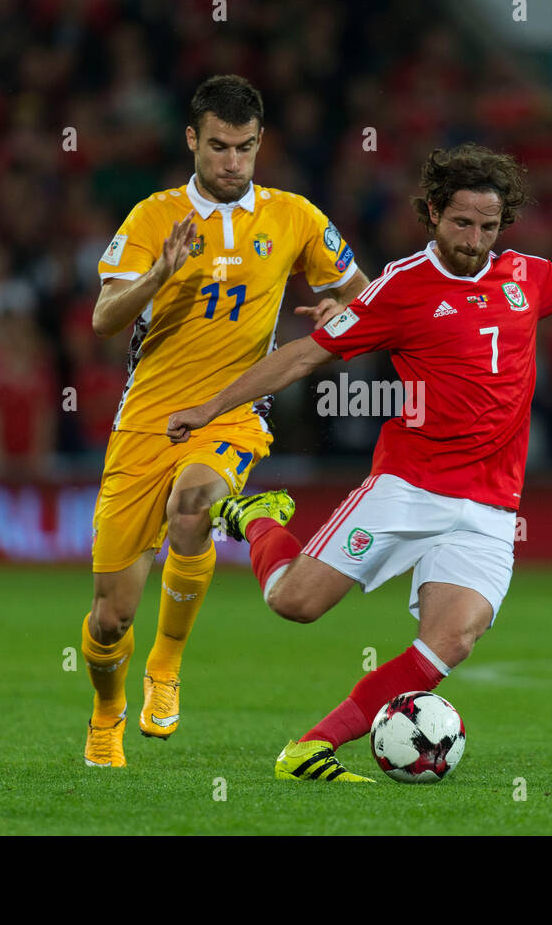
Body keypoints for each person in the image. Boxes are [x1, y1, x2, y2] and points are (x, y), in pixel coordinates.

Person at [167, 143, 552, 781]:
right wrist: (213, 406)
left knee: (453, 641)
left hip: (491, 506)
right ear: (432, 213)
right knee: (293, 603)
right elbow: (306, 355)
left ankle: (309, 747)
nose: (475, 240)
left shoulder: (528, 276)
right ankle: (256, 518)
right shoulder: (402, 286)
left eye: (488, 226)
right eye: (462, 223)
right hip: (408, 487)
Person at [82, 74, 368, 767]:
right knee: (110, 614)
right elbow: (102, 319)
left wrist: (342, 314)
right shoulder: (154, 217)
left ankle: (168, 666)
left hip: (233, 412)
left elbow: (368, 295)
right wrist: (157, 277)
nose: (231, 161)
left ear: (259, 142)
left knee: (196, 503)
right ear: (192, 140)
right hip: (147, 421)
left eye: (243, 147)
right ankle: (106, 710)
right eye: (217, 147)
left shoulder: (295, 216)